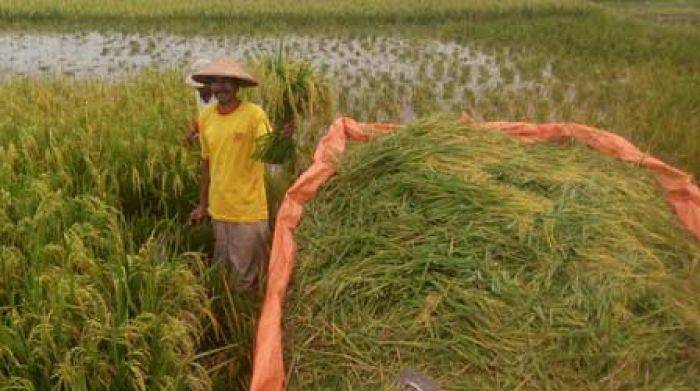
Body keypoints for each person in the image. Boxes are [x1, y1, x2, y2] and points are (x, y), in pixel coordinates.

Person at [187, 56, 291, 292]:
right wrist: (203, 206)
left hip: (248, 213)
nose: (221, 87)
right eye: (216, 82)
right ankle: (227, 317)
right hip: (219, 211)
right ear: (210, 86)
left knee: (246, 280)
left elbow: (272, 156)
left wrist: (283, 140)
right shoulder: (206, 118)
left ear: (236, 86)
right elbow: (207, 164)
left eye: (227, 82)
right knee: (223, 273)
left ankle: (247, 321)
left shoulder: (254, 116)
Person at [184, 58, 218, 143]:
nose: (199, 90)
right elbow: (203, 117)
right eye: (197, 88)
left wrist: (203, 135)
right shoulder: (198, 94)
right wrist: (193, 129)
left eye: (201, 88)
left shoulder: (221, 98)